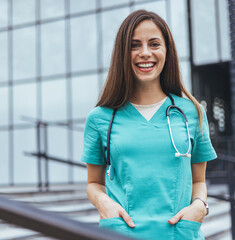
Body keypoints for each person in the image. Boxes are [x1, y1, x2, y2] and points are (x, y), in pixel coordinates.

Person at [80, 9, 217, 240]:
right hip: (122, 233)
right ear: (123, 53)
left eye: (154, 44)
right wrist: (105, 205)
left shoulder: (192, 112)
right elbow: (94, 183)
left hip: (179, 234)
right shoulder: (100, 118)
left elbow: (198, 180)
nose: (145, 53)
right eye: (135, 45)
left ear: (166, 51)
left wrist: (200, 205)